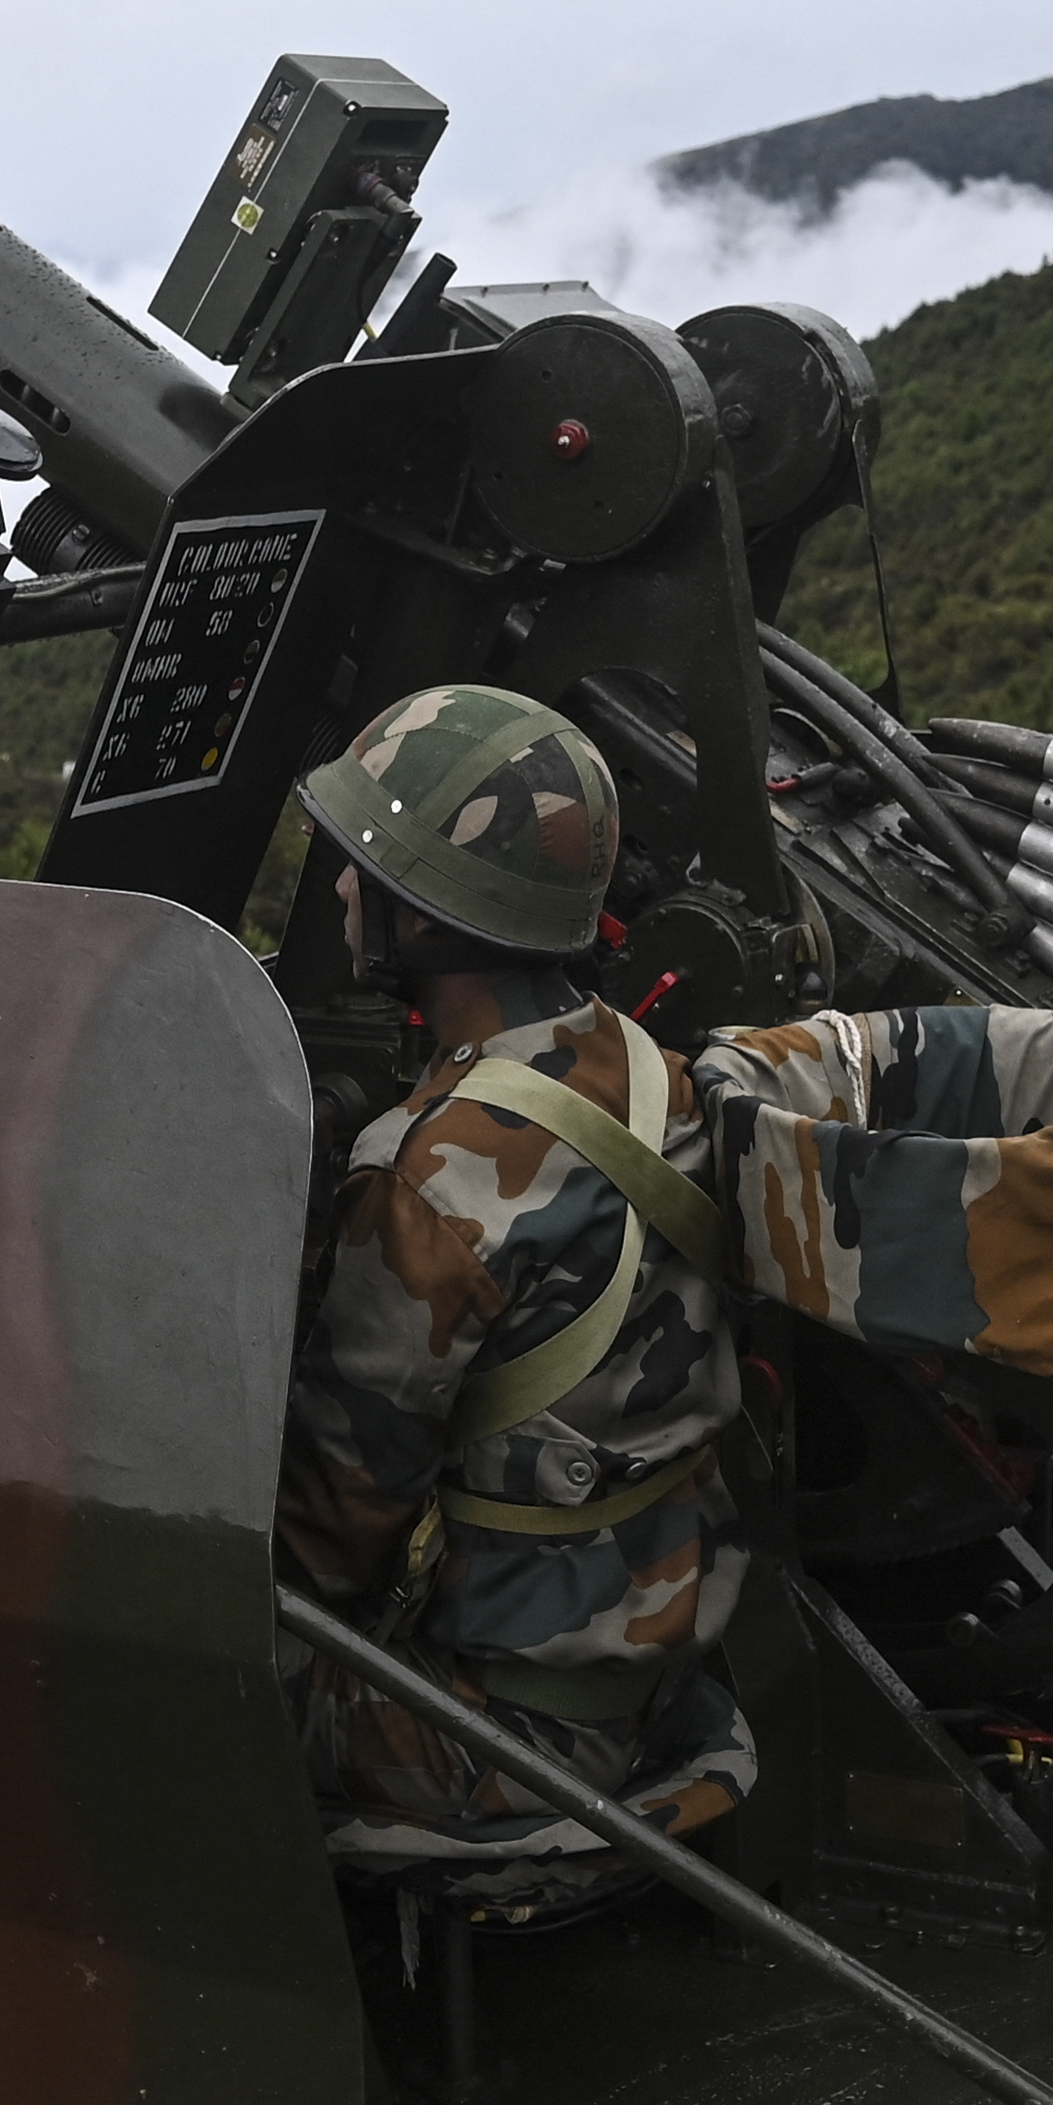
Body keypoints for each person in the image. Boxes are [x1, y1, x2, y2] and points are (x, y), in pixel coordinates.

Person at [273, 680, 755, 1908]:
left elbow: (329, 1541)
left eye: (359, 868)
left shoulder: (429, 1177)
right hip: (658, 1676)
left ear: (426, 916)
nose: (337, 890)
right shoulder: (645, 1068)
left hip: (515, 1747)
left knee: (149, 1685)